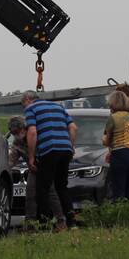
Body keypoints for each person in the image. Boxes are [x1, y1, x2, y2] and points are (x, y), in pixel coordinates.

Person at [23, 90, 77, 230]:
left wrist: (31, 156)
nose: (24, 107)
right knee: (61, 187)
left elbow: (32, 132)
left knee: (43, 189)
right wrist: (71, 147)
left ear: (28, 100)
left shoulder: (31, 109)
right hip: (65, 149)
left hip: (48, 149)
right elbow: (73, 127)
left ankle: (45, 224)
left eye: (23, 104)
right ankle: (71, 222)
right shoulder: (59, 107)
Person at [8, 116, 62, 221]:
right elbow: (12, 159)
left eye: (18, 131)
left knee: (51, 193)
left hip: (46, 167)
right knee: (30, 195)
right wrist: (4, 167)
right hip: (34, 170)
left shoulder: (37, 136)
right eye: (14, 133)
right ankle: (30, 223)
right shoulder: (17, 143)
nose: (17, 135)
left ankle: (60, 220)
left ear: (24, 127)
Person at [102, 90, 129, 200]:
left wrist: (103, 139)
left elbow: (107, 141)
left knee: (118, 190)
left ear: (113, 102)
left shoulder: (112, 117)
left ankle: (119, 215)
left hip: (120, 154)